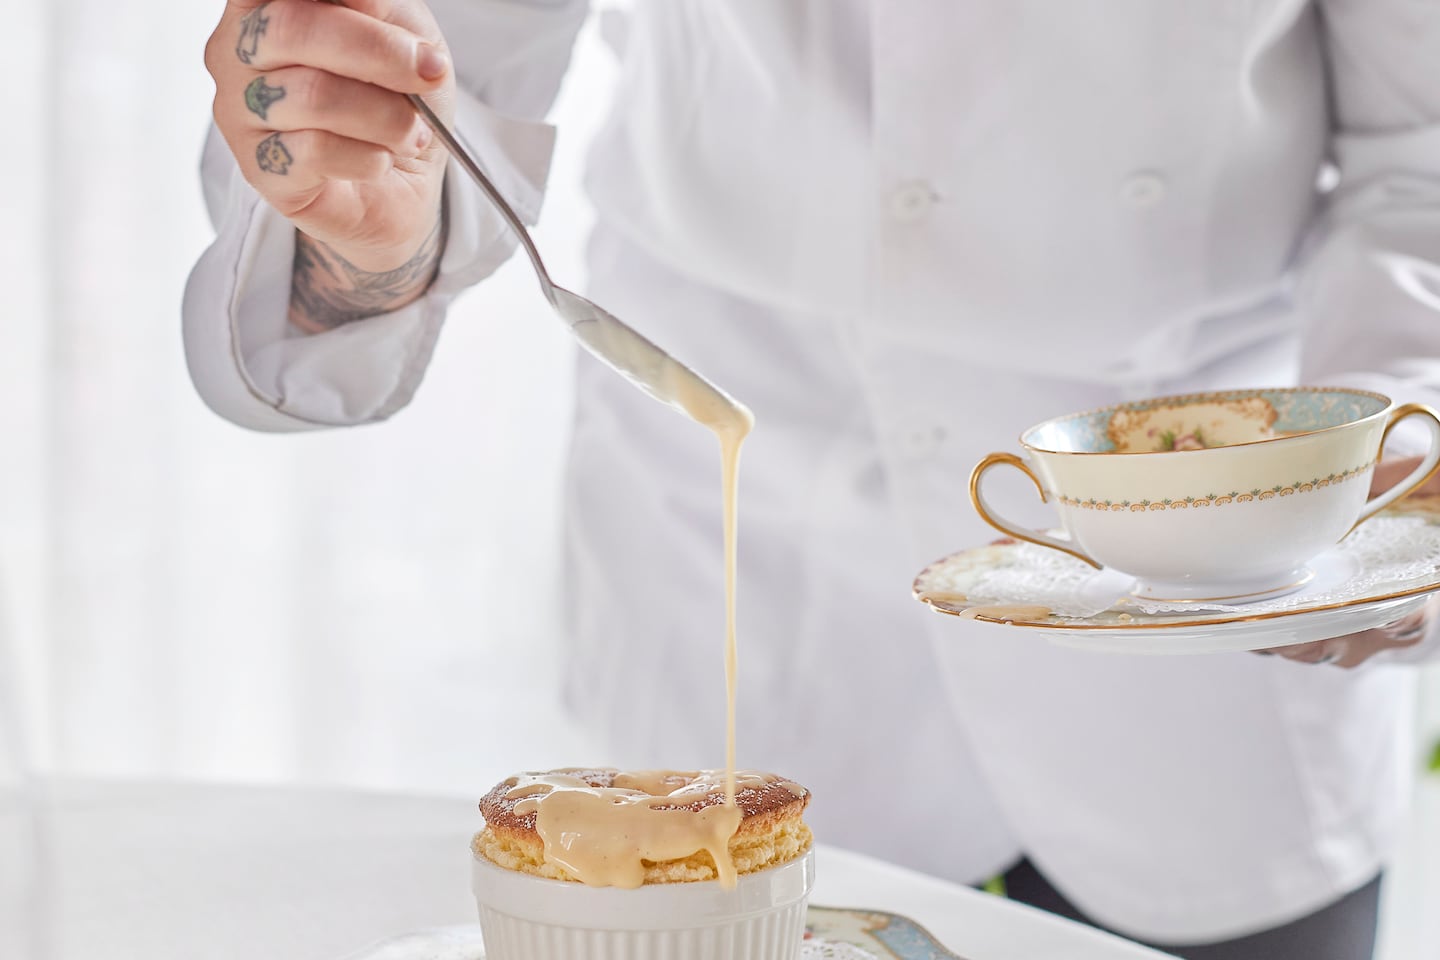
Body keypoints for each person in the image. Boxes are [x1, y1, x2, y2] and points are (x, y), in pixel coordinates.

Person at [187, 1, 1440, 956]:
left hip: (1196, 568)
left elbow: (1421, 153)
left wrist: (1389, 451)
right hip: (740, 536)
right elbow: (429, 76)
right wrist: (360, 230)